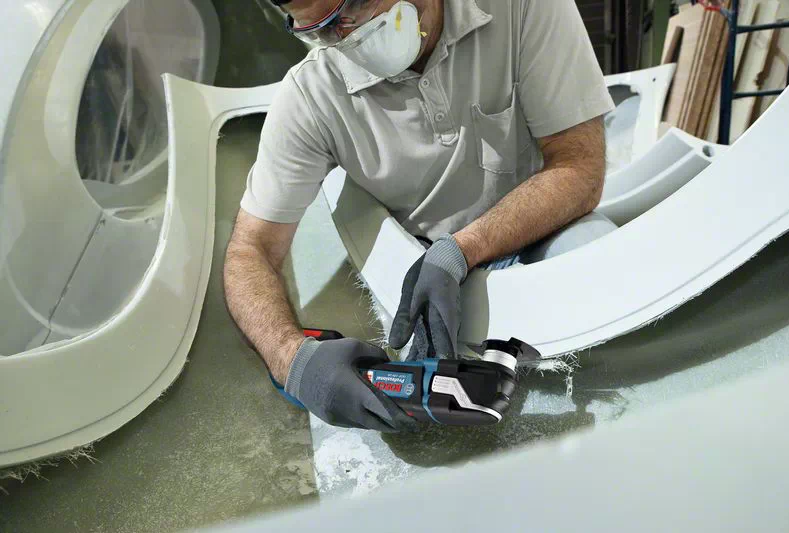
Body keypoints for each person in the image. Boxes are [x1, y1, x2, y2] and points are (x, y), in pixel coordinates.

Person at [223, 0, 615, 432]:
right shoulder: (312, 95)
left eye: (354, 4)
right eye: (323, 29)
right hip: (426, 272)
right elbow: (251, 249)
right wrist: (292, 361)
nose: (349, 36)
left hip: (546, 227)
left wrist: (462, 250)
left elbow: (579, 167)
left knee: (600, 272)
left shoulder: (519, 8)